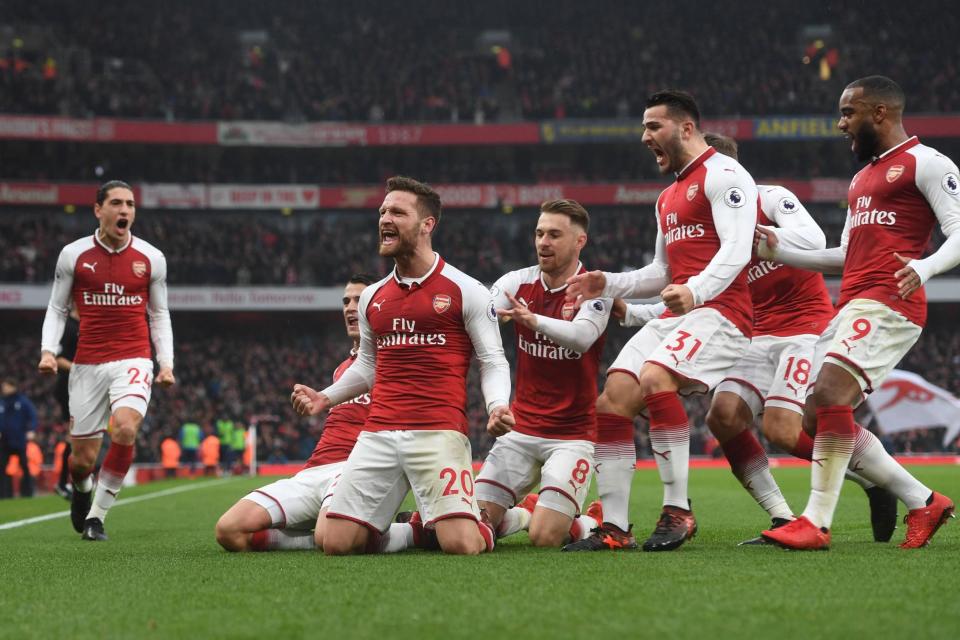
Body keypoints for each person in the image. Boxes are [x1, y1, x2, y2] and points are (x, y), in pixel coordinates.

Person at [621, 133, 898, 545]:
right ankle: (783, 516)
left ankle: (879, 480)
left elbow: (816, 241)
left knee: (785, 430)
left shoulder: (769, 199)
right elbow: (692, 294)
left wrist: (768, 239)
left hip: (804, 329)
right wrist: (631, 312)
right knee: (723, 416)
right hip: (753, 334)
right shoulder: (703, 228)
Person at [757, 76, 957, 550]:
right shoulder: (861, 178)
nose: (840, 123)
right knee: (812, 417)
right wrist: (781, 251)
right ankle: (922, 499)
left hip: (890, 301)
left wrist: (925, 267)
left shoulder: (926, 163)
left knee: (829, 396)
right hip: (851, 302)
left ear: (880, 113)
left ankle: (815, 523)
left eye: (849, 113)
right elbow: (845, 254)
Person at [564, 90, 757, 552]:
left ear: (686, 128)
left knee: (654, 378)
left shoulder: (726, 174)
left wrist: (697, 290)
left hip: (723, 312)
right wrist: (605, 283)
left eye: (654, 126)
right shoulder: (667, 196)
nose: (645, 136)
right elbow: (661, 273)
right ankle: (614, 528)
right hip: (684, 313)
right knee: (612, 401)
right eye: (644, 127)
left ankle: (678, 510)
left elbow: (736, 248)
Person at [291, 176, 512, 556]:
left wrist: (497, 406)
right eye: (382, 211)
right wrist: (324, 398)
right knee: (336, 543)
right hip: (378, 432)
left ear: (427, 225)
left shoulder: (467, 290)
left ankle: (497, 520)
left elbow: (492, 361)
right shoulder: (373, 297)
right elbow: (367, 367)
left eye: (397, 212)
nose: (384, 219)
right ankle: (420, 528)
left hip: (437, 430)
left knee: (462, 546)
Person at [216, 274, 428, 552]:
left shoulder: (399, 360)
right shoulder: (343, 369)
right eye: (345, 301)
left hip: (356, 470)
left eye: (358, 300)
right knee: (229, 530)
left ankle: (415, 532)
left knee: (330, 539)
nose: (350, 307)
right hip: (312, 473)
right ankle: (346, 531)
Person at [37, 180, 175, 541]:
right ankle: (81, 489)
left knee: (126, 427)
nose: (125, 210)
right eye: (116, 203)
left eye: (130, 204)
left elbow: (159, 315)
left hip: (134, 358)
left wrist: (166, 363)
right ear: (98, 210)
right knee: (82, 460)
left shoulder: (151, 258)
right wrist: (48, 351)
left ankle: (96, 517)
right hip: (87, 365)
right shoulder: (74, 255)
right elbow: (56, 307)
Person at [475, 199, 609, 548]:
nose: (543, 242)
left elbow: (581, 338)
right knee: (475, 523)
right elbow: (481, 326)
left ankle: (590, 520)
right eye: (538, 233)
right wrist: (497, 405)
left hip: (572, 435)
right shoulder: (515, 283)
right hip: (520, 428)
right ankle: (529, 509)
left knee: (545, 538)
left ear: (580, 241)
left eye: (553, 234)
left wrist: (531, 320)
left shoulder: (596, 289)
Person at [53, 305, 80, 499]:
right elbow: (57, 358)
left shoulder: (87, 323)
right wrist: (80, 369)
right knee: (74, 437)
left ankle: (68, 482)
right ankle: (63, 483)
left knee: (79, 438)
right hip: (68, 386)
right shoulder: (68, 326)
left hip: (82, 386)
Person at [0, 378, 38, 499]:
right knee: (2, 467)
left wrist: (31, 429)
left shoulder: (23, 401)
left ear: (13, 387)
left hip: (20, 440)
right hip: (4, 440)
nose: (3, 389)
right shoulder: (1, 402)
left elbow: (32, 416)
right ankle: (4, 494)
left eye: (6, 386)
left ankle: (27, 492)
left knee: (24, 467)